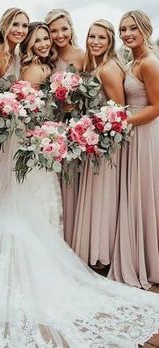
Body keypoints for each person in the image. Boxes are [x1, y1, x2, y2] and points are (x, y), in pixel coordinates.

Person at [0, 20, 158, 348]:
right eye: (40, 38)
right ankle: (36, 264)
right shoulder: (33, 70)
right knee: (32, 204)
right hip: (31, 145)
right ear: (31, 42)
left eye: (48, 37)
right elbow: (21, 106)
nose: (46, 42)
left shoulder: (44, 66)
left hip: (41, 143)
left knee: (43, 202)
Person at [108, 10, 159, 289]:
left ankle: (149, 260)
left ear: (145, 30)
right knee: (136, 193)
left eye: (132, 29)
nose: (127, 34)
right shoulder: (132, 60)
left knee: (145, 193)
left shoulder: (150, 63)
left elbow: (157, 107)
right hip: (132, 133)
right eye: (123, 29)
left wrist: (119, 123)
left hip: (145, 133)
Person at [72, 20, 125, 269]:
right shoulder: (96, 67)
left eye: (101, 38)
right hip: (94, 141)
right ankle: (95, 251)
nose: (95, 41)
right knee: (97, 194)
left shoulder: (108, 69)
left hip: (105, 144)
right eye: (92, 36)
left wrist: (96, 131)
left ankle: (100, 255)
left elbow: (118, 113)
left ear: (110, 41)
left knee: (103, 195)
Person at [45, 9, 85, 245]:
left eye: (63, 29)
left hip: (72, 125)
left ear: (71, 29)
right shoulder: (45, 57)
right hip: (48, 124)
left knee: (70, 179)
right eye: (53, 30)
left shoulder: (81, 55)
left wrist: (75, 104)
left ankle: (72, 238)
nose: (59, 35)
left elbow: (92, 93)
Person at [0, 8, 29, 184]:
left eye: (24, 25)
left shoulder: (18, 55)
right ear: (5, 26)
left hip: (16, 127)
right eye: (15, 24)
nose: (20, 30)